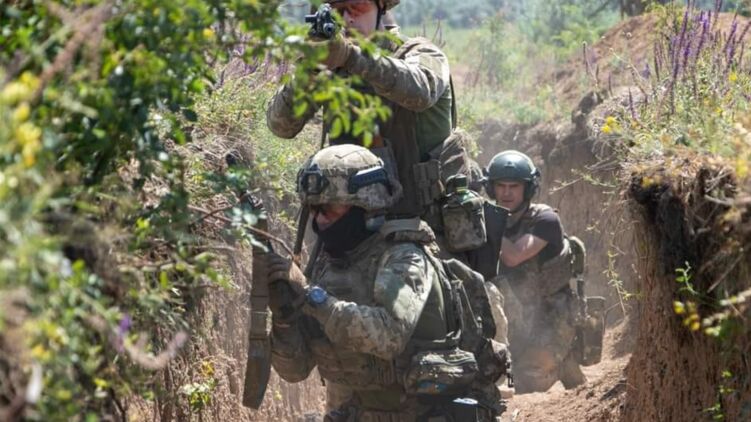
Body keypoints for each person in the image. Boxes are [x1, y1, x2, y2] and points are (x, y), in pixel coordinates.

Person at [259, 144, 504, 421]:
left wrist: (309, 294)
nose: (319, 219)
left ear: (365, 204)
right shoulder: (326, 266)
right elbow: (295, 371)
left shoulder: (405, 257)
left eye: (329, 208)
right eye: (314, 209)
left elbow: (387, 335)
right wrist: (284, 317)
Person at [267, 0, 460, 225]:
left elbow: (421, 91)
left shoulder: (421, 53)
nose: (348, 18)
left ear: (381, 8)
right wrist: (312, 69)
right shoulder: (333, 66)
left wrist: (352, 57)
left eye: (357, 7)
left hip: (422, 226)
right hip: (352, 230)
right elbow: (281, 125)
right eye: (337, 11)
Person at [486, 150, 586, 393]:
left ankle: (564, 362)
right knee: (491, 380)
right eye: (501, 186)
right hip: (513, 319)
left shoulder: (545, 219)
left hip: (550, 318)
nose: (506, 193)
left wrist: (487, 222)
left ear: (528, 189)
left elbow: (513, 256)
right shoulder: (490, 218)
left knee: (525, 382)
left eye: (514, 186)